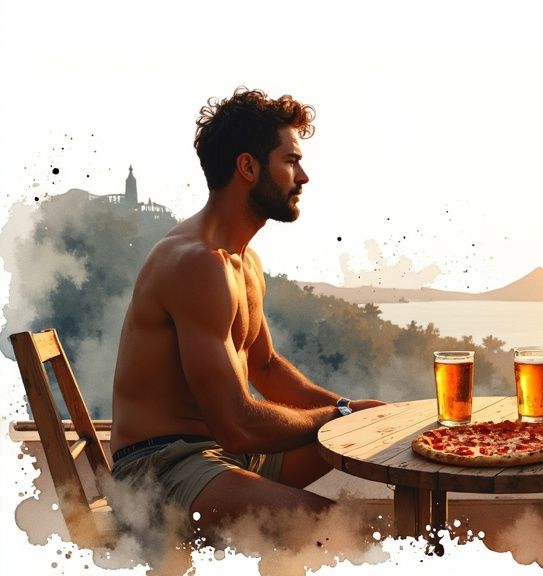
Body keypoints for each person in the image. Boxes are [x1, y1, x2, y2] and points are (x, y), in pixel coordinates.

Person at [109, 87, 384, 543]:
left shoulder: (243, 261)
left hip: (216, 453)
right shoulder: (196, 263)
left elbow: (267, 368)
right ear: (248, 167)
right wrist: (334, 415)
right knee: (347, 531)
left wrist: (353, 413)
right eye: (291, 161)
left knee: (370, 436)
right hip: (159, 471)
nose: (304, 176)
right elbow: (237, 425)